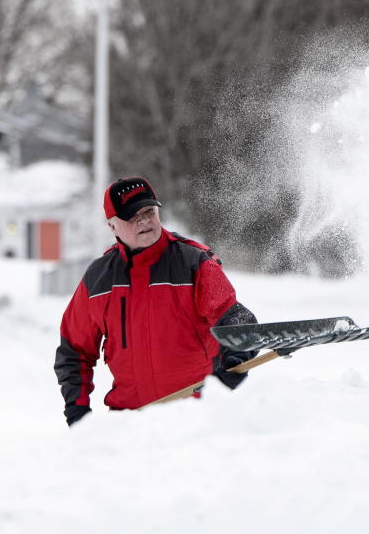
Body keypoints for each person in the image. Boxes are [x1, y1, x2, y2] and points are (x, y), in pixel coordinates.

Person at [54, 176, 257, 426]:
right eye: (131, 216)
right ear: (112, 226)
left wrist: (235, 359)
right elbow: (74, 352)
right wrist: (78, 412)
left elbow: (235, 318)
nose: (144, 220)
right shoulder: (98, 279)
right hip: (130, 425)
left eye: (149, 211)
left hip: (197, 421)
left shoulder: (194, 264)